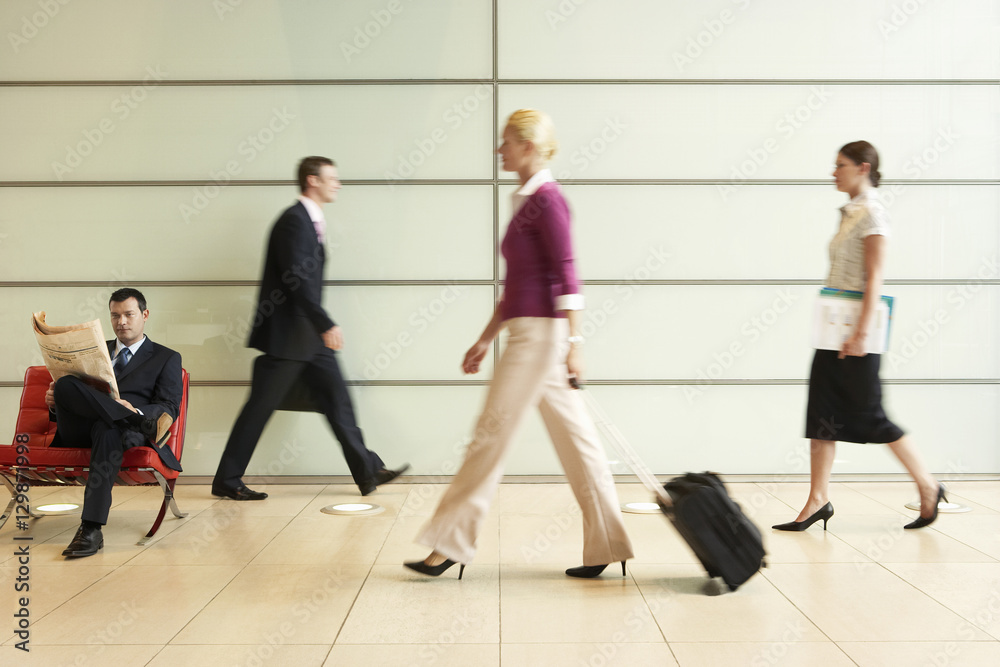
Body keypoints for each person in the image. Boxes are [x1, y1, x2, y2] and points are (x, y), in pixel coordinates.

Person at [405, 110, 634, 580]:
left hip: (540, 339)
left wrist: (576, 343)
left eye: (505, 142)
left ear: (528, 147)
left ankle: (448, 545)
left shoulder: (548, 200)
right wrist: (485, 338)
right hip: (529, 334)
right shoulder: (525, 199)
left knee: (489, 436)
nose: (499, 150)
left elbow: (568, 273)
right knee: (580, 444)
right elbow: (516, 287)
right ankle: (609, 544)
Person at [212, 156, 407, 500]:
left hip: (308, 338)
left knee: (338, 403)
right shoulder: (295, 222)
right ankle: (227, 479)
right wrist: (325, 322)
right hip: (290, 337)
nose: (339, 184)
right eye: (332, 178)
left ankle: (369, 470)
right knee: (259, 409)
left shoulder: (308, 221)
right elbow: (296, 279)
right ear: (312, 180)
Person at [773, 141, 944, 533]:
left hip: (857, 337)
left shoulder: (873, 214)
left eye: (840, 165)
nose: (833, 172)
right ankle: (818, 500)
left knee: (872, 417)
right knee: (821, 416)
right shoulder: (850, 212)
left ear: (863, 168)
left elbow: (875, 277)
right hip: (832, 334)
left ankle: (928, 486)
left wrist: (861, 333)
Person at [46, 288, 182, 558]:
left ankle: (91, 529)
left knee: (109, 428)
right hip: (80, 429)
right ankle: (122, 416)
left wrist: (136, 411)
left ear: (144, 315)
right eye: (115, 316)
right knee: (64, 384)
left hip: (123, 433)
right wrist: (56, 402)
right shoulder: (94, 350)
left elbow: (169, 407)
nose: (122, 322)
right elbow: (71, 401)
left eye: (129, 315)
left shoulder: (166, 357)